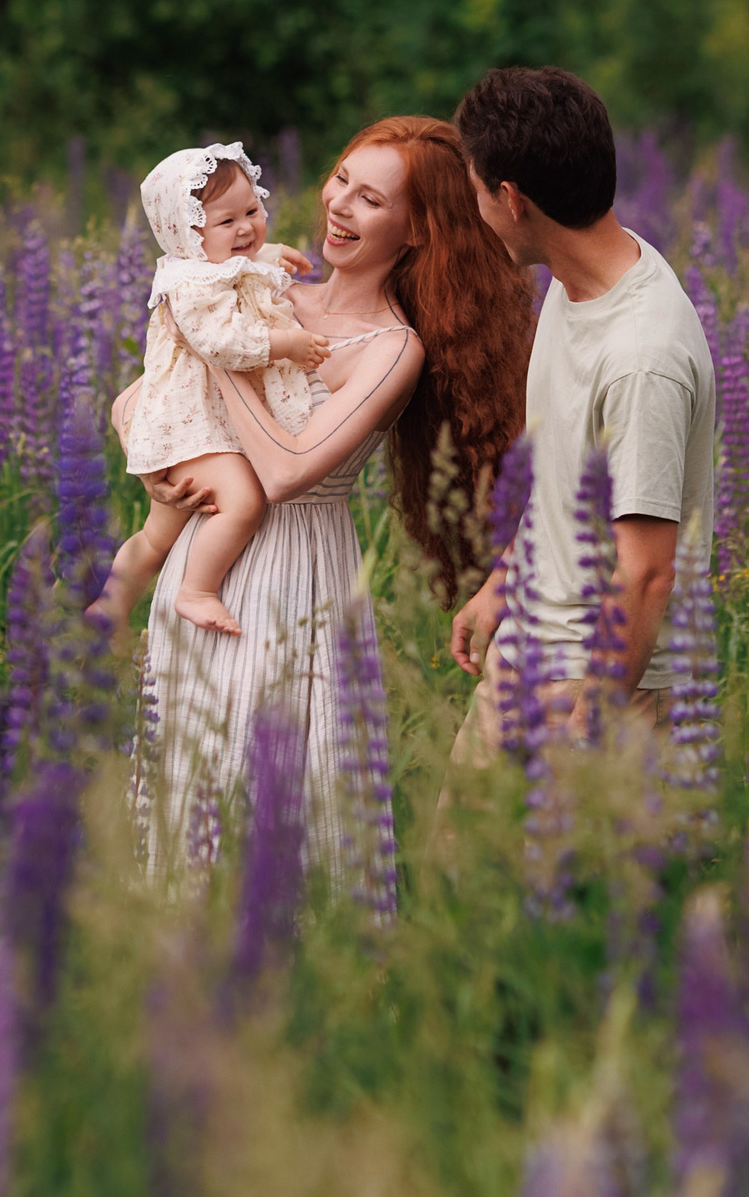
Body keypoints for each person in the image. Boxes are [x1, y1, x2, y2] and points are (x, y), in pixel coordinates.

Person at [114, 117, 531, 883]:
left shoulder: (391, 347)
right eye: (341, 178)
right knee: (189, 784)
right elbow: (137, 401)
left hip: (296, 580)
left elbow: (283, 469)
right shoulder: (263, 287)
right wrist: (155, 465)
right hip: (205, 557)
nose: (339, 205)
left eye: (371, 198)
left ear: (415, 230)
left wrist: (222, 355)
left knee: (283, 800)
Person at [446, 67, 716, 757]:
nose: (474, 212)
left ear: (512, 199)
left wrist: (590, 721)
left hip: (592, 680)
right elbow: (562, 479)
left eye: (476, 192)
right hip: (526, 652)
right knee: (451, 866)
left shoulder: (641, 354)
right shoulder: (575, 285)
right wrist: (505, 578)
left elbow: (648, 573)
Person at [104, 144, 331, 638]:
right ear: (185, 236)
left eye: (252, 211)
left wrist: (266, 254)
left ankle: (110, 605)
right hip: (191, 428)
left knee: (156, 536)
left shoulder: (206, 266)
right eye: (227, 222)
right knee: (243, 501)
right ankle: (197, 590)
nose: (247, 228)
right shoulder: (190, 287)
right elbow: (223, 342)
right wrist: (286, 343)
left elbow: (230, 264)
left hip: (195, 423)